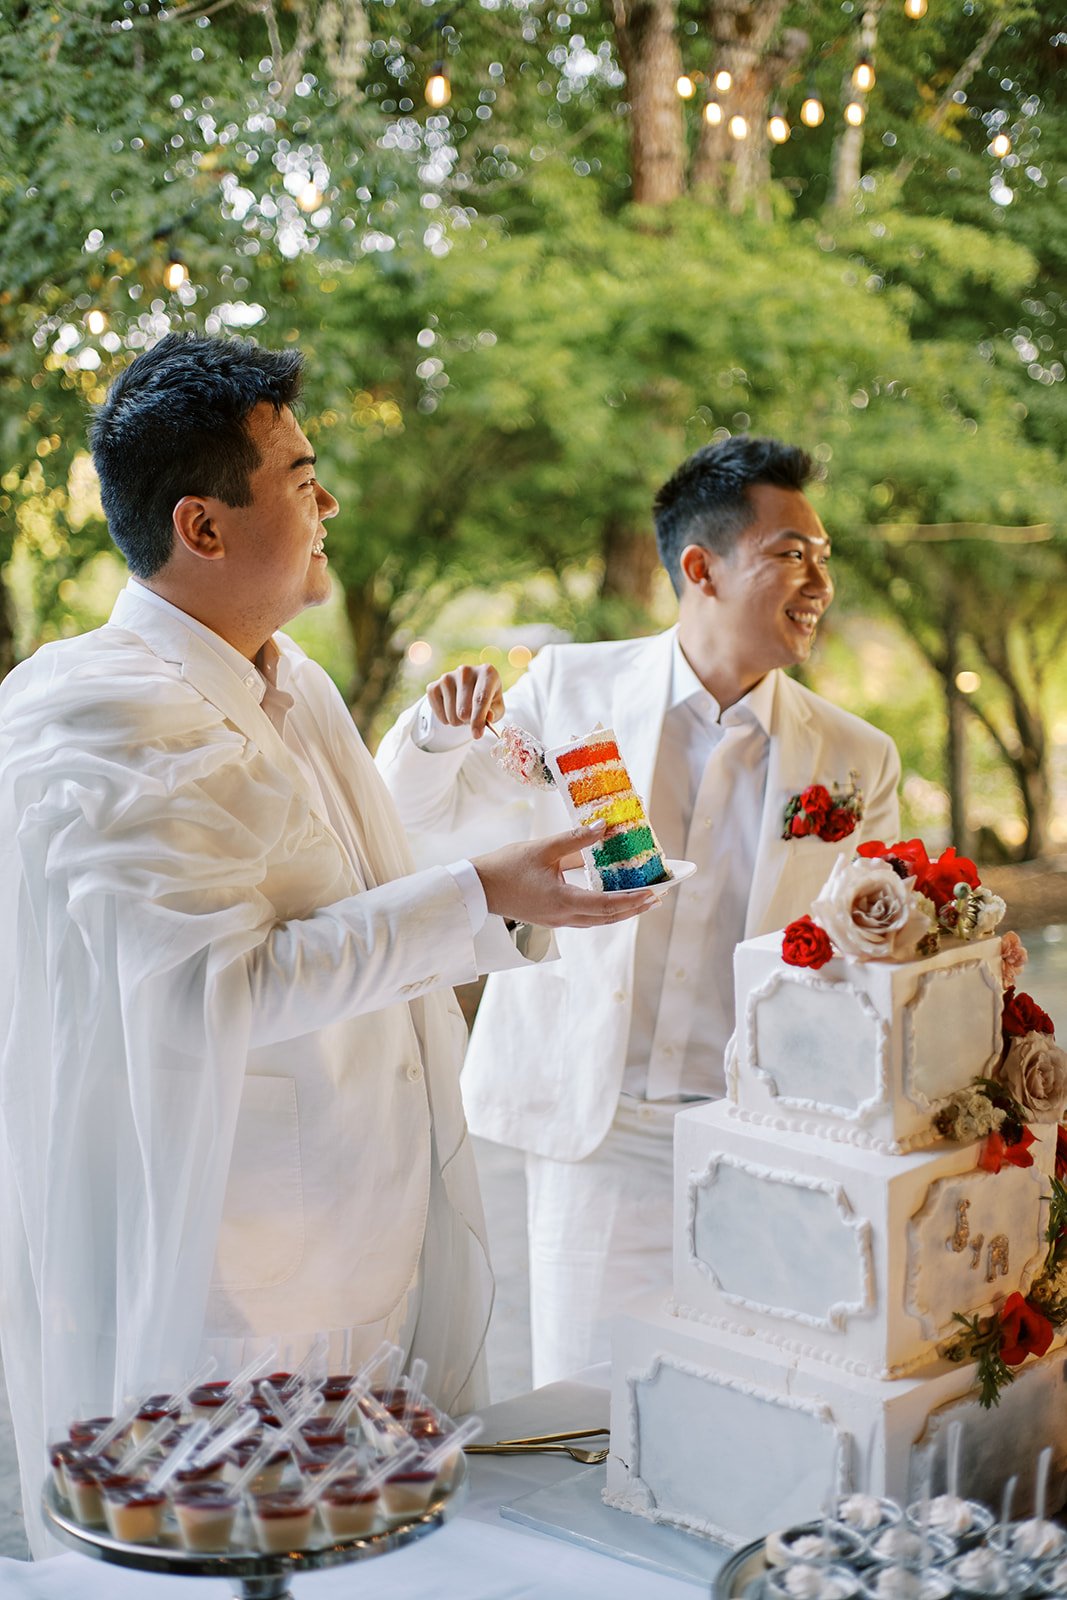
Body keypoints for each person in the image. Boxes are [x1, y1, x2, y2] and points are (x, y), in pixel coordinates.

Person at [0, 333, 658, 1555]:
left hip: (368, 1250)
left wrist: (506, 869)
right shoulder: (86, 711)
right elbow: (215, 988)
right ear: (202, 526)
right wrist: (475, 895)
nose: (329, 503)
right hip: (233, 1285)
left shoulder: (290, 678)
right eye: (302, 477)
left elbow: (354, 880)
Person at [377, 435, 902, 1386]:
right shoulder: (565, 691)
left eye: (823, 557)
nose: (818, 580)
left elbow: (878, 947)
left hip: (766, 1133)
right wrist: (432, 735)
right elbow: (418, 823)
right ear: (699, 568)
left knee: (754, 1395)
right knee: (586, 1405)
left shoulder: (855, 759)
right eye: (790, 554)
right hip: (600, 1124)